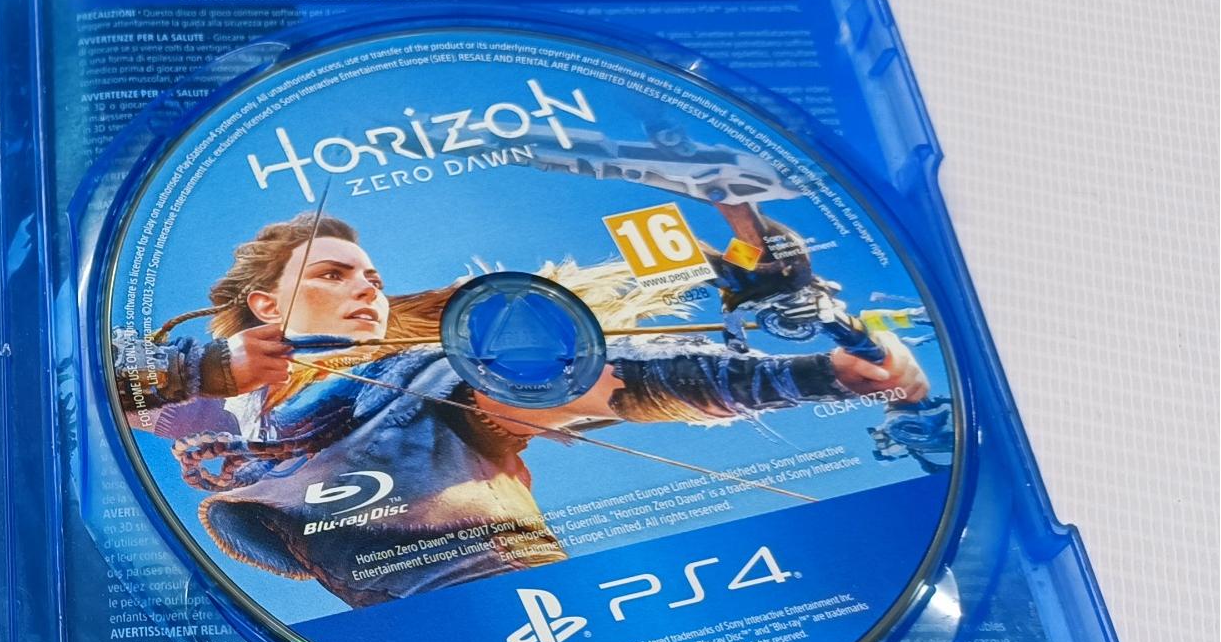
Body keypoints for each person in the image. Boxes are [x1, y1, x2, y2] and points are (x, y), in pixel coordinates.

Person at [112, 213, 927, 608]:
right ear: (265, 303)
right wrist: (205, 367)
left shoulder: (430, 376)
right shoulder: (216, 414)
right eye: (334, 273)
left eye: (372, 276)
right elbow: (73, 382)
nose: (367, 286)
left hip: (516, 612)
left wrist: (820, 373)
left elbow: (616, 379)